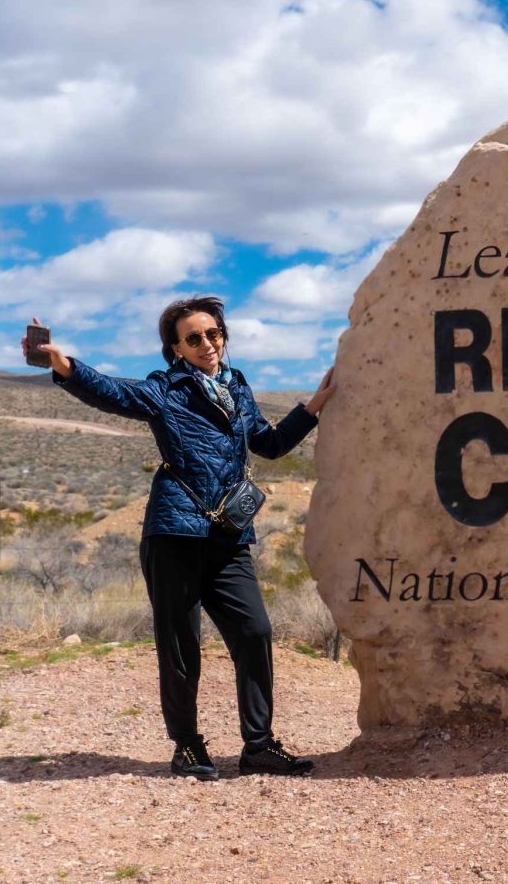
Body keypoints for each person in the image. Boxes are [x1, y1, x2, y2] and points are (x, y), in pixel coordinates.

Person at [22, 297, 336, 780]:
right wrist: (62, 364)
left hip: (228, 535)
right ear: (176, 348)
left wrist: (314, 406)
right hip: (174, 532)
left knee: (255, 633)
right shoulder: (164, 389)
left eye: (213, 333)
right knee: (180, 644)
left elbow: (269, 445)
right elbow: (112, 393)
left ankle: (258, 747)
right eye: (194, 338)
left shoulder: (238, 388)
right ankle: (187, 747)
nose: (207, 344)